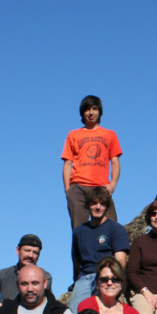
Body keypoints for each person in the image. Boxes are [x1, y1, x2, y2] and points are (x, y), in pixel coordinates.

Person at [62, 95, 122, 229]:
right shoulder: (73, 135)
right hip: (78, 186)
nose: (91, 113)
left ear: (100, 111)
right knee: (79, 229)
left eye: (94, 109)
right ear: (82, 113)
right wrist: (68, 190)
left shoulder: (110, 134)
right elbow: (67, 164)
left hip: (101, 186)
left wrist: (113, 184)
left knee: (111, 226)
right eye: (87, 109)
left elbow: (115, 162)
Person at [69, 186, 130, 314]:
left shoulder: (116, 229)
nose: (98, 207)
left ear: (107, 206)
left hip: (108, 276)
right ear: (87, 205)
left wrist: (112, 278)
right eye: (94, 203)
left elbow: (121, 260)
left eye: (102, 204)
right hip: (85, 278)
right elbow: (76, 260)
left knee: (104, 313)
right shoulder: (79, 232)